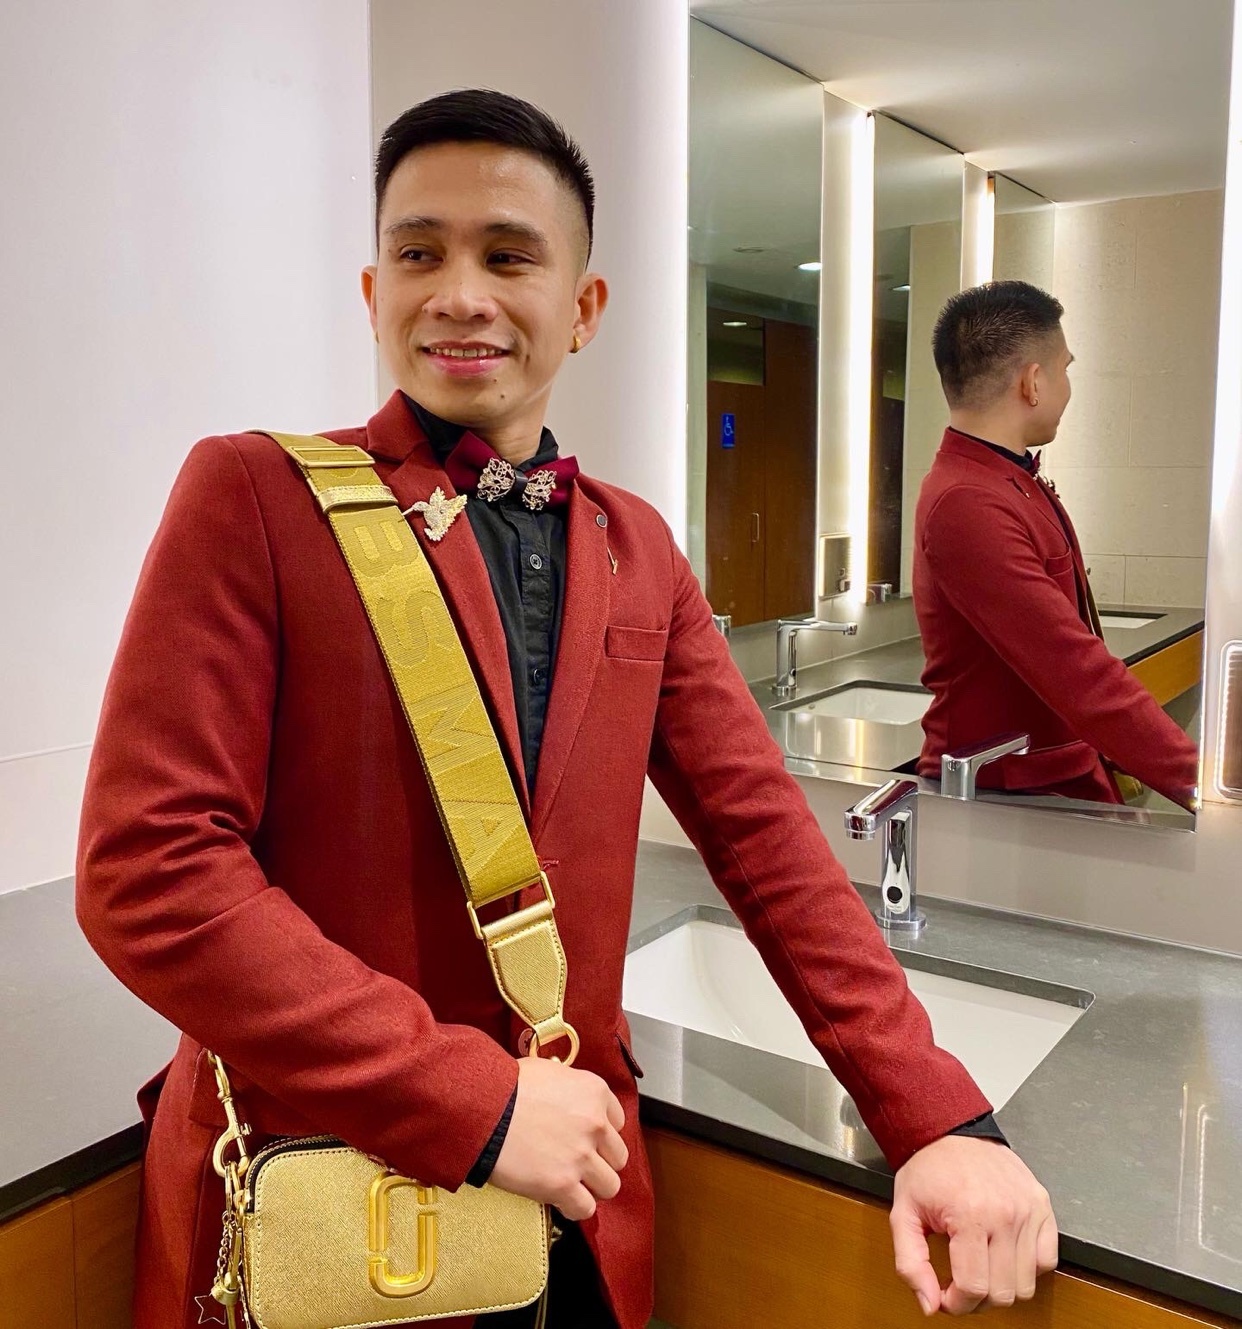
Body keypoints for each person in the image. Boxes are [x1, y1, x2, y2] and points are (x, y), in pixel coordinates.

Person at [77, 92, 1058, 1329]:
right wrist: (468, 1100)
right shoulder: (258, 498)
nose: (460, 293)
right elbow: (150, 872)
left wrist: (934, 1112)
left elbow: (767, 844)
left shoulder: (635, 548)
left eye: (509, 255)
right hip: (316, 1200)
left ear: (585, 308)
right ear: (372, 290)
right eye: (419, 254)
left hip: (572, 1227)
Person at [914, 281, 1199, 809]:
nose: (1068, 387)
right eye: (1066, 369)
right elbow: (1076, 673)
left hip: (1053, 772)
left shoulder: (1006, 479)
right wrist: (1204, 784)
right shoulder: (967, 502)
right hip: (1014, 795)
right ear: (1034, 382)